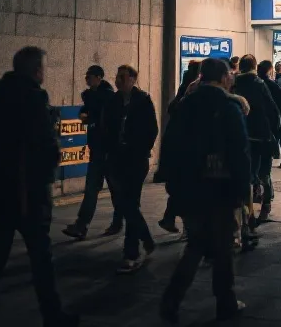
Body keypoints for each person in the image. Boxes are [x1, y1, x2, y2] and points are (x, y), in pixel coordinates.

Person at [0, 47, 78, 327]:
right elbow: (46, 148)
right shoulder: (34, 99)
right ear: (36, 71)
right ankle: (52, 316)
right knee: (41, 260)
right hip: (29, 194)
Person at [158, 57, 250, 323]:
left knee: (196, 245)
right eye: (230, 75)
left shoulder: (185, 105)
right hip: (219, 190)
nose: (232, 79)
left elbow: (170, 145)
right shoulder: (228, 107)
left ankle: (171, 300)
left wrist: (172, 185)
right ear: (223, 78)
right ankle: (226, 302)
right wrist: (242, 192)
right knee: (222, 248)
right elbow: (239, 153)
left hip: (189, 189)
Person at [99, 64, 159, 274]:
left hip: (136, 159)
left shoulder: (143, 100)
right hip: (116, 159)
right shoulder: (113, 101)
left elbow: (152, 129)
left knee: (130, 203)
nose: (118, 80)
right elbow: (105, 127)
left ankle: (131, 253)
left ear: (133, 79)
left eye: (123, 77)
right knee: (124, 204)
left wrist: (141, 149)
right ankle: (147, 239)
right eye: (117, 77)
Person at [63, 66, 122, 240]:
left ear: (98, 78)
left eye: (89, 77)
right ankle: (82, 225)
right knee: (92, 190)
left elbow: (102, 118)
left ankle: (118, 222)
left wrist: (88, 113)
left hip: (108, 152)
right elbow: (86, 112)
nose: (87, 80)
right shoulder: (92, 96)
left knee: (115, 190)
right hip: (97, 150)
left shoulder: (108, 97)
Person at [232, 55, 281, 225]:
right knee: (264, 172)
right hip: (261, 135)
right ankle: (265, 206)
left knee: (246, 173)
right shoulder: (260, 84)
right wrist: (274, 131)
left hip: (242, 136)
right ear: (254, 66)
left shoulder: (234, 84)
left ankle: (248, 210)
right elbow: (272, 110)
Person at [159, 60, 202, 233]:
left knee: (181, 188)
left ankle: (172, 220)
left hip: (177, 147)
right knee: (187, 189)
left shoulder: (183, 90)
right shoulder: (194, 91)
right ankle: (186, 227)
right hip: (188, 150)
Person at [256, 59, 281, 223]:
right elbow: (280, 111)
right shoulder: (272, 86)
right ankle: (266, 202)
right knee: (265, 171)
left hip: (252, 136)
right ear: (269, 71)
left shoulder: (248, 86)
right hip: (267, 135)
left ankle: (261, 198)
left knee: (256, 171)